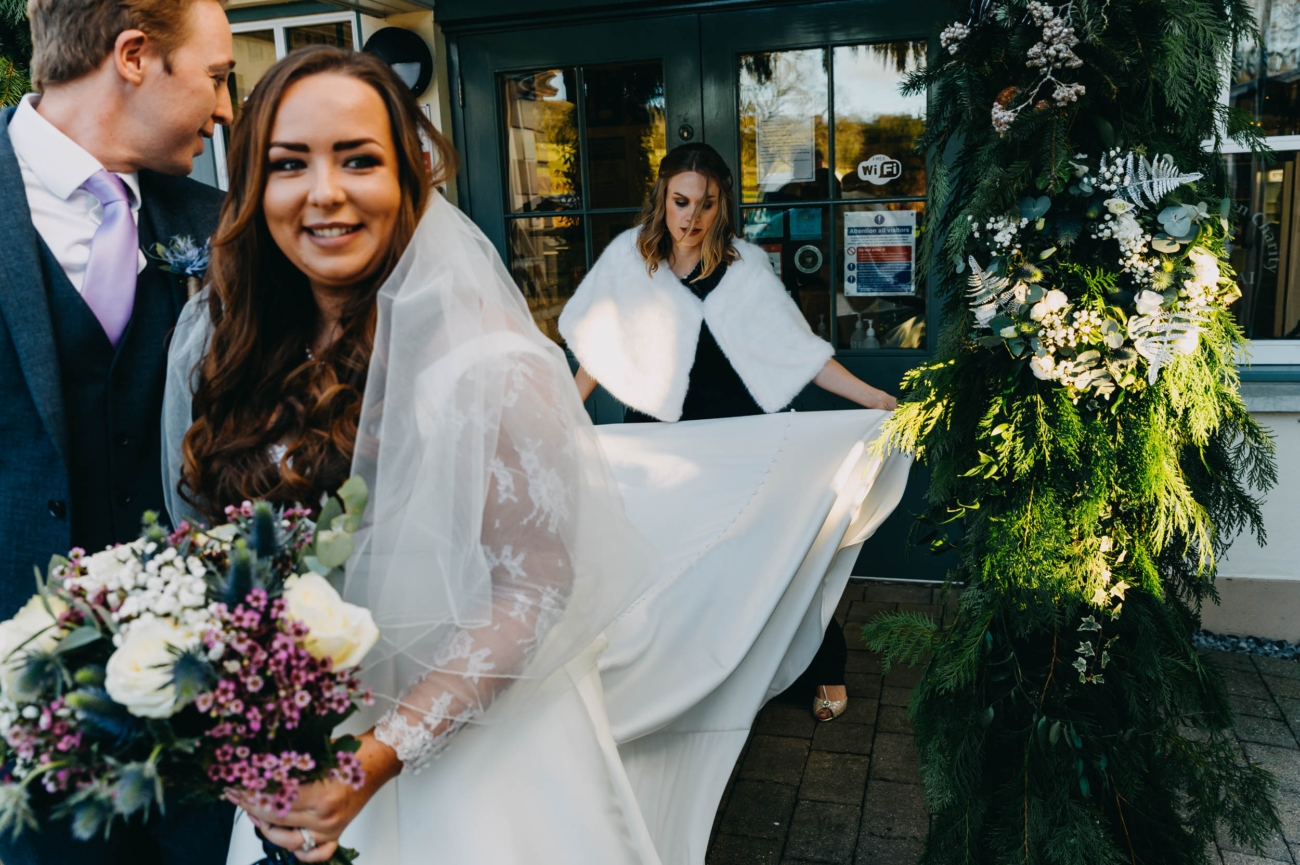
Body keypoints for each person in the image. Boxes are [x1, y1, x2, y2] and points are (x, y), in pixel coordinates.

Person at [161, 47, 661, 864]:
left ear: (409, 176)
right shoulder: (219, 346)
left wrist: (370, 762)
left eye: (358, 159)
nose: (325, 192)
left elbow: (533, 586)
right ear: (256, 185)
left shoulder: (488, 360)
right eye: (290, 165)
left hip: (469, 767)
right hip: (296, 753)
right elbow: (203, 554)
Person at [0, 0, 235, 863]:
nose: (224, 110)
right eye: (215, 77)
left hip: (202, 720)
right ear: (134, 56)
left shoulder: (220, 224)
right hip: (21, 744)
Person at [561, 143, 896, 723]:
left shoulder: (744, 265)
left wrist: (871, 397)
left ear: (723, 206)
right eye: (681, 202)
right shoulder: (630, 261)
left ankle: (826, 663)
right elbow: (597, 352)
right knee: (663, 563)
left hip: (737, 435)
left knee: (771, 557)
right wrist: (563, 411)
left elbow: (799, 352)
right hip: (659, 438)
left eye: (707, 204)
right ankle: (681, 675)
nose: (691, 218)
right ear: (662, 200)